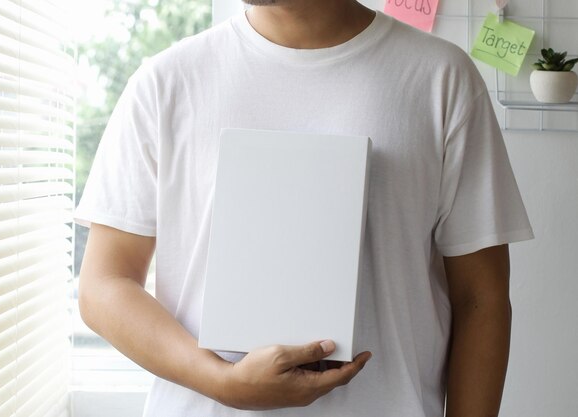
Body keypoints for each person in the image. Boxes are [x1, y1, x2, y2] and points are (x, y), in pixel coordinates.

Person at [75, 0, 534, 416]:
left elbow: (481, 299)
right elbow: (104, 284)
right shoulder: (166, 82)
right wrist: (221, 382)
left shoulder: (440, 77)